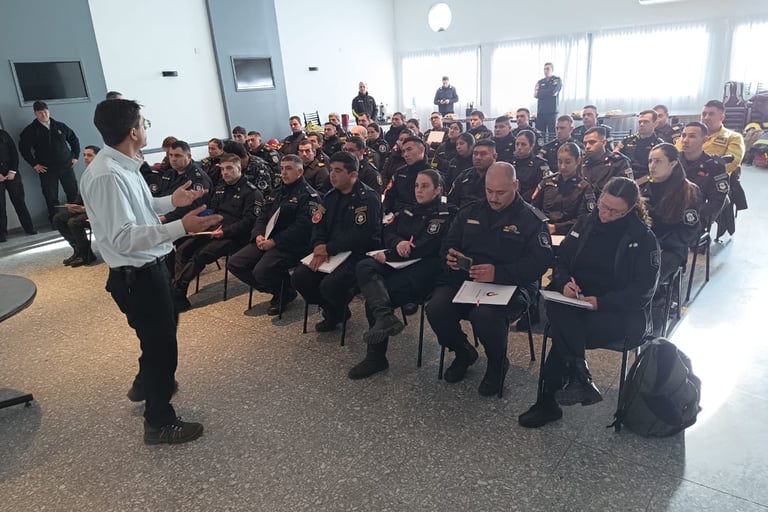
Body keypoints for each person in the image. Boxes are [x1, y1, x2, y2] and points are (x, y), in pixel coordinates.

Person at [80, 99, 222, 444]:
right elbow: (124, 237)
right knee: (162, 348)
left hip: (151, 268)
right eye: (144, 123)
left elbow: (141, 209)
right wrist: (181, 227)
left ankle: (145, 382)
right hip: (137, 274)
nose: (147, 127)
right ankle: (159, 421)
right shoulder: (108, 176)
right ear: (133, 132)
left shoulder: (124, 165)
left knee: (162, 330)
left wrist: (172, 202)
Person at [518, 177, 660, 428]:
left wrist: (602, 302)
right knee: (558, 307)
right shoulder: (585, 224)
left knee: (565, 332)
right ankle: (578, 376)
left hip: (617, 312)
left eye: (615, 211)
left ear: (629, 209)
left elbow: (643, 291)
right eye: (603, 206)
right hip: (577, 301)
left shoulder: (643, 239)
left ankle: (555, 395)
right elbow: (561, 260)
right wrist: (564, 283)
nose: (605, 214)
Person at [426, 162, 553, 396]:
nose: (493, 198)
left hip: (513, 285)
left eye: (500, 192)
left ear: (515, 185)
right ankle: (463, 351)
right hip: (468, 279)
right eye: (489, 191)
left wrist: (498, 273)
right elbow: (448, 243)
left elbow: (538, 265)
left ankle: (497, 363)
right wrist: (451, 258)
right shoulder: (471, 211)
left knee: (484, 315)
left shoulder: (532, 220)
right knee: (436, 308)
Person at [349, 169, 457, 379]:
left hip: (425, 270)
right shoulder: (409, 209)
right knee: (364, 266)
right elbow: (388, 231)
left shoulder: (445, 215)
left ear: (438, 190)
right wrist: (397, 243)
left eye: (425, 186)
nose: (419, 190)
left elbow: (425, 247)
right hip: (400, 262)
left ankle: (376, 357)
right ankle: (385, 317)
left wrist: (388, 254)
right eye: (416, 185)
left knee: (375, 300)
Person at [291, 152, 382, 332]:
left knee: (330, 285)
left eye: (338, 171)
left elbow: (360, 235)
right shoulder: (330, 196)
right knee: (299, 278)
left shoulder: (367, 198)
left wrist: (328, 248)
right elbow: (318, 223)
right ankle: (334, 310)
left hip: (358, 254)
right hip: (330, 251)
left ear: (353, 174)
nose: (332, 175)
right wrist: (318, 245)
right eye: (331, 169)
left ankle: (335, 311)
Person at [227, 154, 320, 315]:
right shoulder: (278, 191)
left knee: (262, 271)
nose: (283, 172)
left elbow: (302, 228)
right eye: (282, 168)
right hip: (268, 239)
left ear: (300, 172)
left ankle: (283, 292)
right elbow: (263, 215)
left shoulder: (309, 196)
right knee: (236, 263)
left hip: (292, 244)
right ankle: (281, 290)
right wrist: (258, 234)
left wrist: (275, 241)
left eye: (288, 169)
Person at [171, 153, 262, 310]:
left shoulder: (251, 193)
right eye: (222, 169)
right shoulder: (220, 188)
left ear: (239, 168)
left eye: (229, 168)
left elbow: (249, 222)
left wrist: (224, 232)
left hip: (235, 236)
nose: (225, 172)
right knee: (183, 249)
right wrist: (200, 226)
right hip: (213, 230)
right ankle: (179, 291)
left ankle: (176, 290)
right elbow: (211, 211)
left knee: (201, 254)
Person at [678, 100, 746, 239]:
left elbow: (732, 162)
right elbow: (676, 155)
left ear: (722, 117)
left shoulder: (733, 137)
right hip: (685, 175)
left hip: (712, 180)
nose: (706, 117)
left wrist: (708, 168)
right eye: (704, 114)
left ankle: (700, 228)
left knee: (718, 199)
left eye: (711, 114)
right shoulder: (690, 133)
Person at [641, 143, 702, 284]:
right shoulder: (643, 186)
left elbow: (689, 230)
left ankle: (658, 296)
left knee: (646, 277)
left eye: (658, 161)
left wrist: (659, 243)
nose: (652, 166)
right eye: (650, 161)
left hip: (671, 247)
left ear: (672, 164)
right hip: (644, 241)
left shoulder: (688, 191)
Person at [18, 101, 81, 222]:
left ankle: (76, 219)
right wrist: (34, 164)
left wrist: (75, 156)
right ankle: (56, 221)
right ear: (35, 114)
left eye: (45, 111)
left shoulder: (60, 126)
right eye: (40, 113)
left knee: (72, 192)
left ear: (48, 111)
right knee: (51, 196)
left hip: (66, 166)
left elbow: (74, 140)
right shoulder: (31, 130)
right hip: (47, 169)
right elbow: (23, 149)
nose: (44, 115)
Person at [533, 142, 596, 236]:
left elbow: (584, 219)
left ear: (578, 160)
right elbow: (535, 208)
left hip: (569, 234)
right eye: (559, 162)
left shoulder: (585, 187)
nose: (562, 166)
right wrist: (542, 224)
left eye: (567, 162)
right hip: (544, 230)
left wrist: (556, 228)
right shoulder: (547, 182)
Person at [53, 145, 100, 266]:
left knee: (73, 222)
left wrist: (85, 209)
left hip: (98, 211)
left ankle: (86, 254)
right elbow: (81, 196)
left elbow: (104, 200)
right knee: (58, 218)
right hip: (85, 208)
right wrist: (73, 205)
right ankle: (78, 250)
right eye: (84, 155)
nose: (85, 158)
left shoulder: (102, 174)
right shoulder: (87, 174)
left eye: (89, 155)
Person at [678, 122, 729, 228]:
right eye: (683, 135)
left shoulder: (715, 166)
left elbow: (716, 201)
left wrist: (692, 212)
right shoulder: (672, 160)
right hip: (667, 211)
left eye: (692, 136)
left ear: (705, 140)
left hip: (695, 216)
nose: (685, 140)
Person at [157, 141, 212, 224]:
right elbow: (160, 196)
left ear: (189, 156)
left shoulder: (198, 178)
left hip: (184, 222)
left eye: (177, 155)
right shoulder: (169, 174)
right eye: (171, 155)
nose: (173, 159)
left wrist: (163, 219)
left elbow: (192, 207)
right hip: (163, 216)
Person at [0, 128, 36, 242]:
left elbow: (14, 154)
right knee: (0, 206)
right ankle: (1, 233)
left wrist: (12, 171)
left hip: (12, 174)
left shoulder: (3, 134)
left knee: (19, 202)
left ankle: (29, 227)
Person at [383, 135, 428, 214]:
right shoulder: (400, 172)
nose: (406, 155)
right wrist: (384, 212)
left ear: (421, 150)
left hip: (417, 216)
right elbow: (389, 197)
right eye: (403, 151)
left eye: (409, 149)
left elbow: (428, 205)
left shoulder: (431, 175)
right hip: (394, 215)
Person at [614, 110, 664, 179]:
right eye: (640, 122)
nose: (641, 124)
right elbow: (615, 156)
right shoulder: (627, 141)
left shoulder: (659, 145)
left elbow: (662, 169)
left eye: (646, 122)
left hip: (649, 180)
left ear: (655, 123)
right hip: (626, 178)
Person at [582, 127, 633, 195]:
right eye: (585, 143)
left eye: (592, 142)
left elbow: (627, 190)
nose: (587, 146)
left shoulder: (619, 162)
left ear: (603, 143)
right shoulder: (581, 162)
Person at [448, 139, 497, 209]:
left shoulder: (501, 178)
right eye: (475, 154)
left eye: (483, 154)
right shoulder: (464, 176)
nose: (478, 157)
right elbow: (450, 201)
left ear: (494, 156)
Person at [513, 130, 550, 203]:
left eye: (523, 144)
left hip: (531, 202)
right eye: (517, 144)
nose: (519, 147)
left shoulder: (541, 164)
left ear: (531, 146)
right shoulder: (509, 161)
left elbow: (542, 188)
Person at [534, 63, 562, 137]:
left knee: (552, 134)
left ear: (552, 70)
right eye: (544, 69)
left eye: (548, 69)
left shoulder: (556, 80)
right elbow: (535, 95)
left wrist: (541, 93)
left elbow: (553, 92)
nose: (546, 71)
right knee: (540, 135)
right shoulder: (540, 82)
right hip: (541, 112)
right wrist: (547, 92)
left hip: (552, 112)